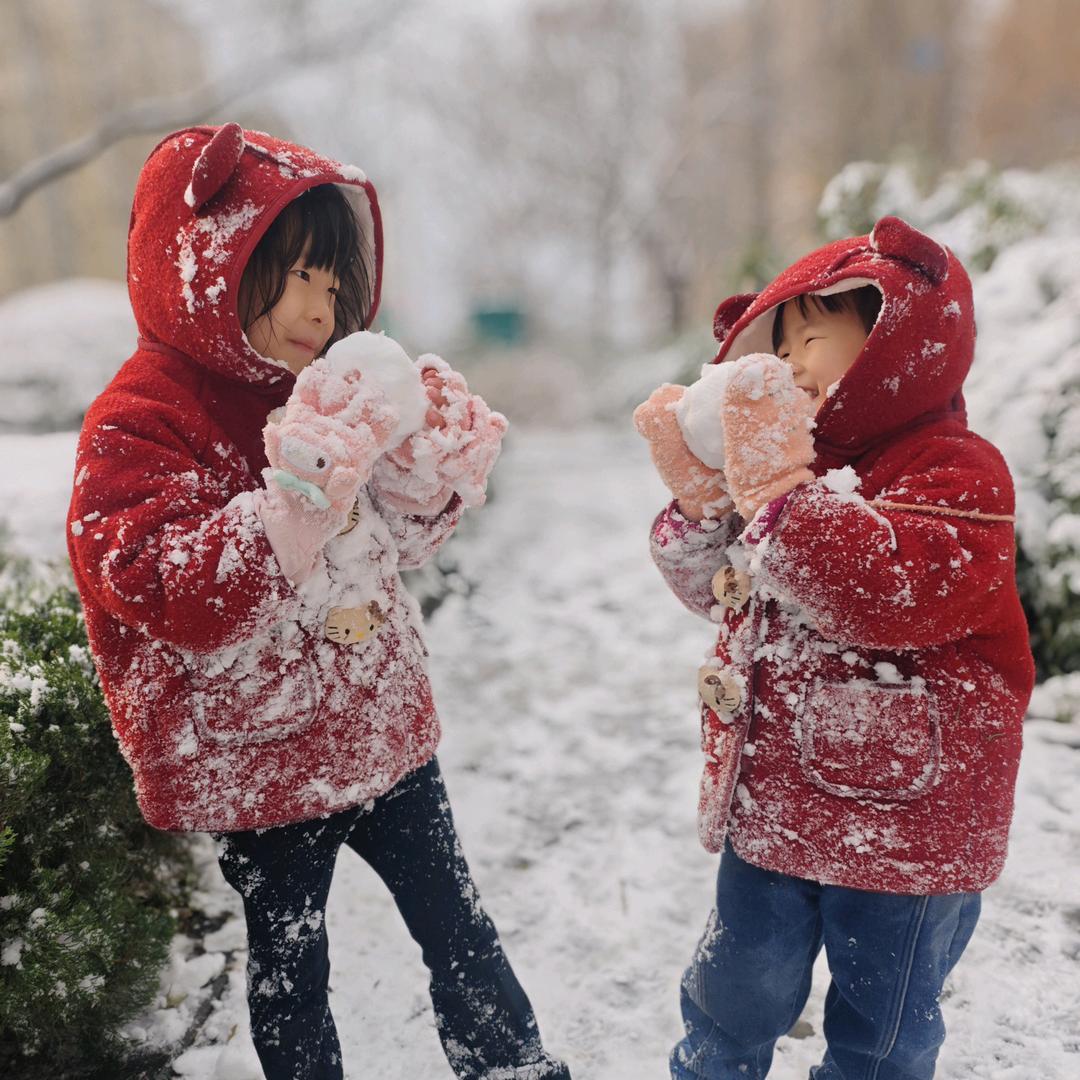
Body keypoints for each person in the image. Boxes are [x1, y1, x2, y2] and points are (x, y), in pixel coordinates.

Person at [67, 123, 570, 1080]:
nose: (319, 305)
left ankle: (515, 1066)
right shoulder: (141, 419)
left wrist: (429, 476)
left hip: (381, 731)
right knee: (293, 967)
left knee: (458, 926)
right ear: (208, 260)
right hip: (260, 756)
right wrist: (298, 498)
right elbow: (163, 586)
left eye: (333, 284)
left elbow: (388, 544)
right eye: (295, 273)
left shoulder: (321, 387)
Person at [634, 215, 1034, 1079]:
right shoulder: (791, 468)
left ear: (898, 343)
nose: (789, 365)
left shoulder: (959, 472)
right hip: (776, 808)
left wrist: (777, 492)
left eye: (813, 337)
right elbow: (718, 591)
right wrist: (706, 503)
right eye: (780, 346)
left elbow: (886, 592)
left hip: (908, 830)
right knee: (730, 995)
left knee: (879, 1030)